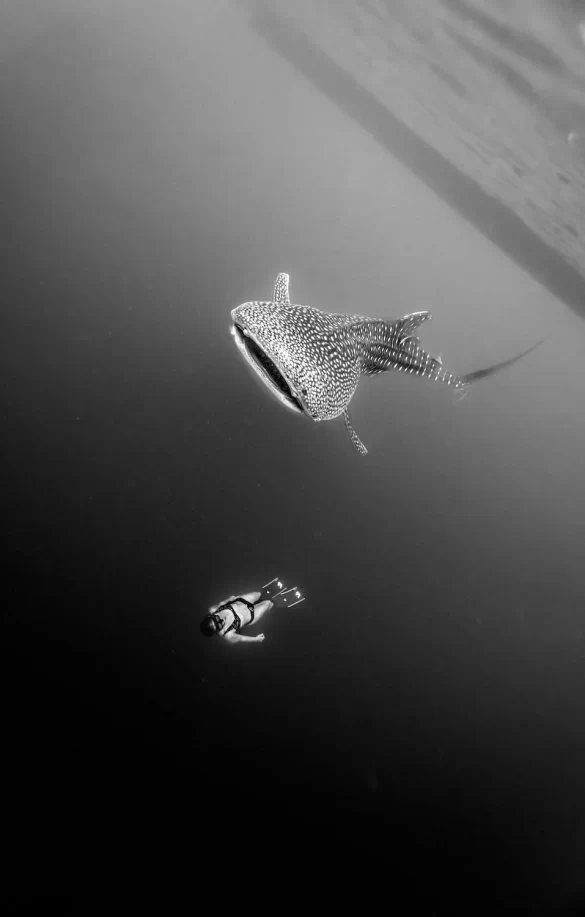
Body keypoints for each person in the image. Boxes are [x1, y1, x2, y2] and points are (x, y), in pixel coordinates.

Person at [200, 577, 305, 644]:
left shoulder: (213, 609)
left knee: (258, 594)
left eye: (217, 619)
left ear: (211, 616)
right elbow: (242, 639)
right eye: (219, 625)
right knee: (267, 604)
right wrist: (256, 639)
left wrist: (230, 599)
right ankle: (275, 602)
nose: (221, 620)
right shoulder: (228, 635)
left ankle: (263, 595)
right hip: (250, 615)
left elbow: (221, 604)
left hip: (240, 601)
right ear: (217, 631)